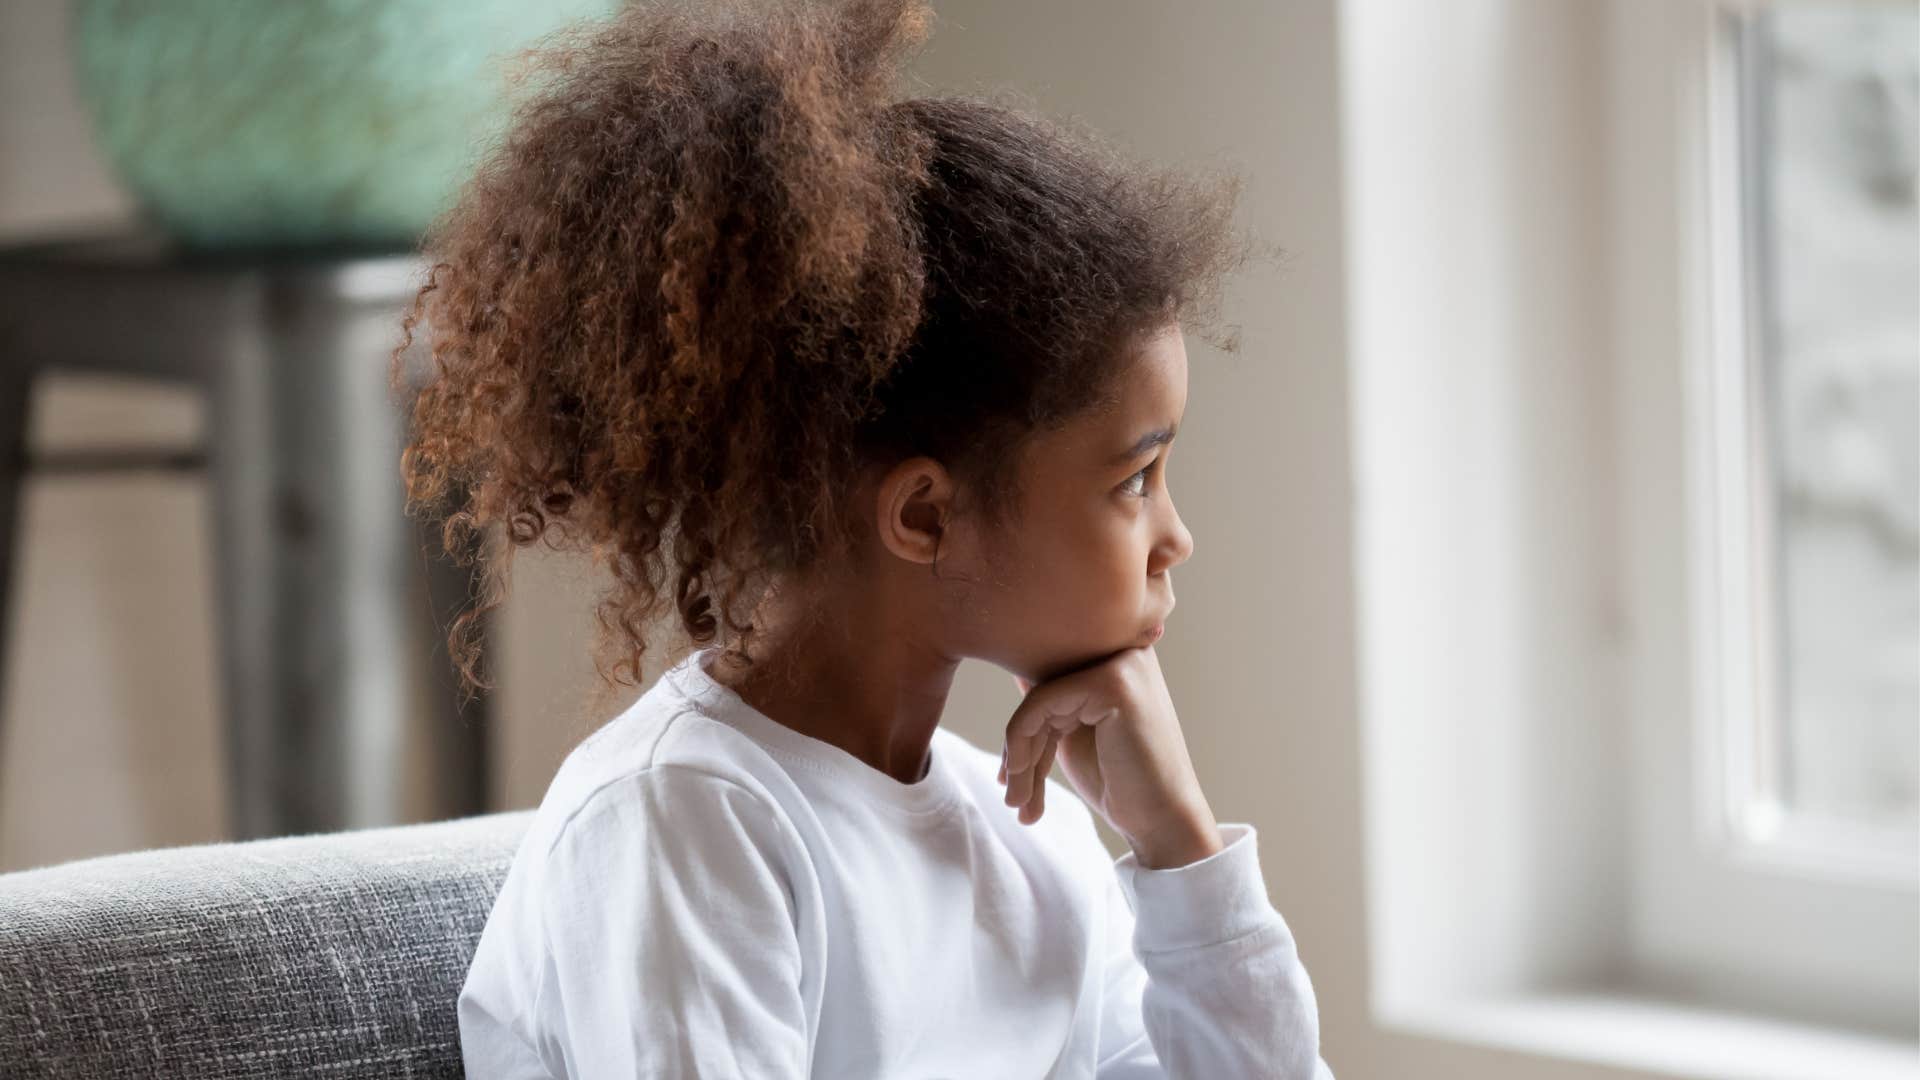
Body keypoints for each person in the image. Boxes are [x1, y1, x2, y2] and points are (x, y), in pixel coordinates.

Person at [390, 0, 1332, 1075]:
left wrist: (1179, 852)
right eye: (1135, 480)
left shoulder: (1038, 841)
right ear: (926, 515)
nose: (1178, 539)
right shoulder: (684, 824)